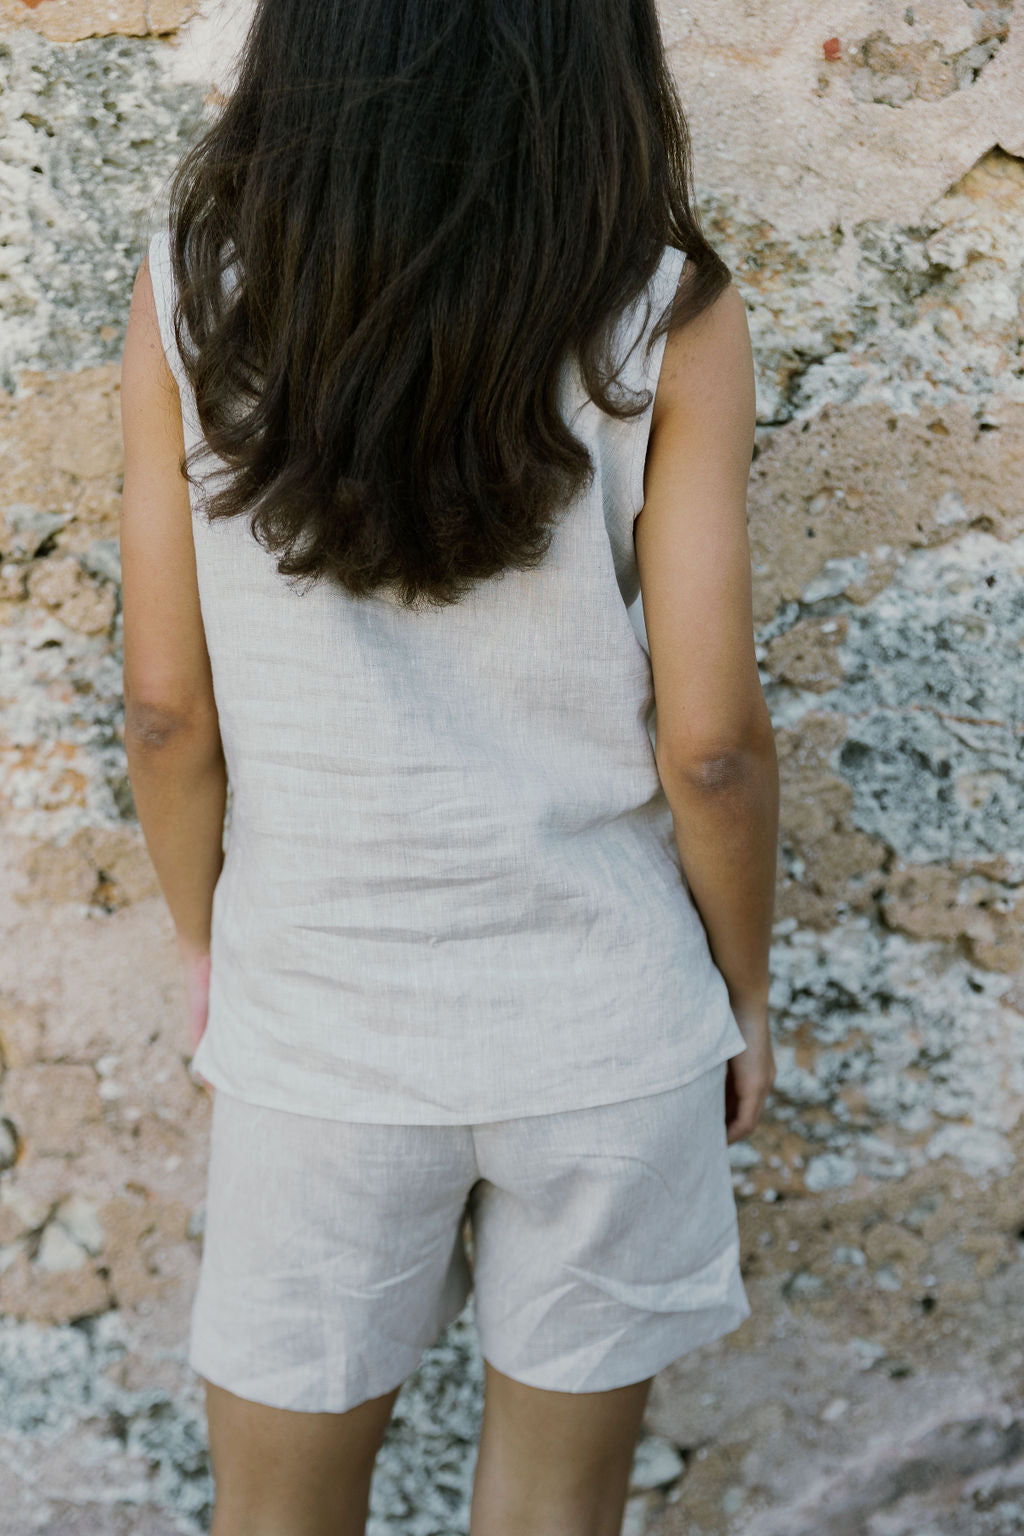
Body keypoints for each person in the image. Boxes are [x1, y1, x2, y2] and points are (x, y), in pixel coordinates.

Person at [118, 1, 779, 1532]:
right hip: (606, 1025)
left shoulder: (188, 295)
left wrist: (212, 943)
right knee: (558, 1513)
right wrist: (738, 992)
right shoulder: (668, 310)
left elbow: (164, 707)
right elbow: (716, 749)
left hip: (325, 1023)